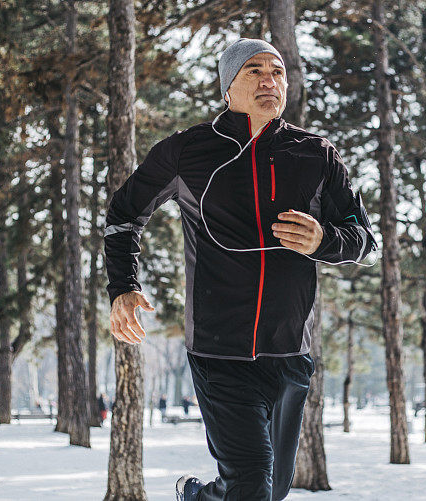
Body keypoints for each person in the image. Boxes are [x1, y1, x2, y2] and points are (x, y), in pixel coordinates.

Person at [104, 38, 378, 501]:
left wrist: (323, 240)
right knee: (253, 484)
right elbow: (123, 216)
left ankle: (197, 496)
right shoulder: (186, 152)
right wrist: (123, 286)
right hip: (219, 352)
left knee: (269, 490)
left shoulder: (315, 154)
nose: (270, 81)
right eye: (255, 71)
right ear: (228, 85)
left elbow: (365, 240)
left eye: (278, 73)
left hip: (290, 350)